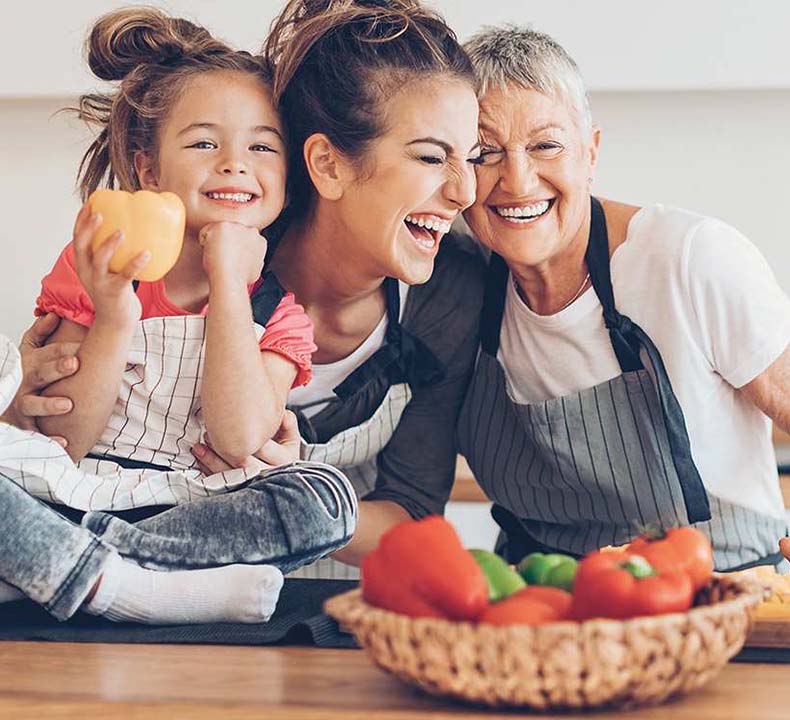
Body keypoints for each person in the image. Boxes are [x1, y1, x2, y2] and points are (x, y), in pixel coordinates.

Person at [6, 0, 485, 586]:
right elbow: (56, 433)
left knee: (318, 500)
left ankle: (125, 572)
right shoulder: (155, 254)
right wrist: (28, 390)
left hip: (272, 573)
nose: (466, 191)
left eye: (261, 147)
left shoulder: (440, 295)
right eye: (432, 156)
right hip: (83, 502)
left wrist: (286, 479)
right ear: (325, 165)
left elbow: (409, 514)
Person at [456, 26, 790, 588]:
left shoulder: (688, 260)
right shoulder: (449, 281)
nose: (516, 180)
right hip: (542, 609)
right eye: (484, 152)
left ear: (590, 152)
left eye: (546, 145)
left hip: (724, 601)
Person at [0, 8, 356, 624]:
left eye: (261, 146)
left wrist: (228, 279)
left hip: (190, 511)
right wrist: (114, 314)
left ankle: (73, 571)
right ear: (147, 169)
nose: (233, 162)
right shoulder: (100, 264)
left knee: (325, 498)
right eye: (202, 143)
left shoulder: (280, 314)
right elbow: (66, 440)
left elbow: (237, 438)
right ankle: (131, 588)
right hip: (74, 490)